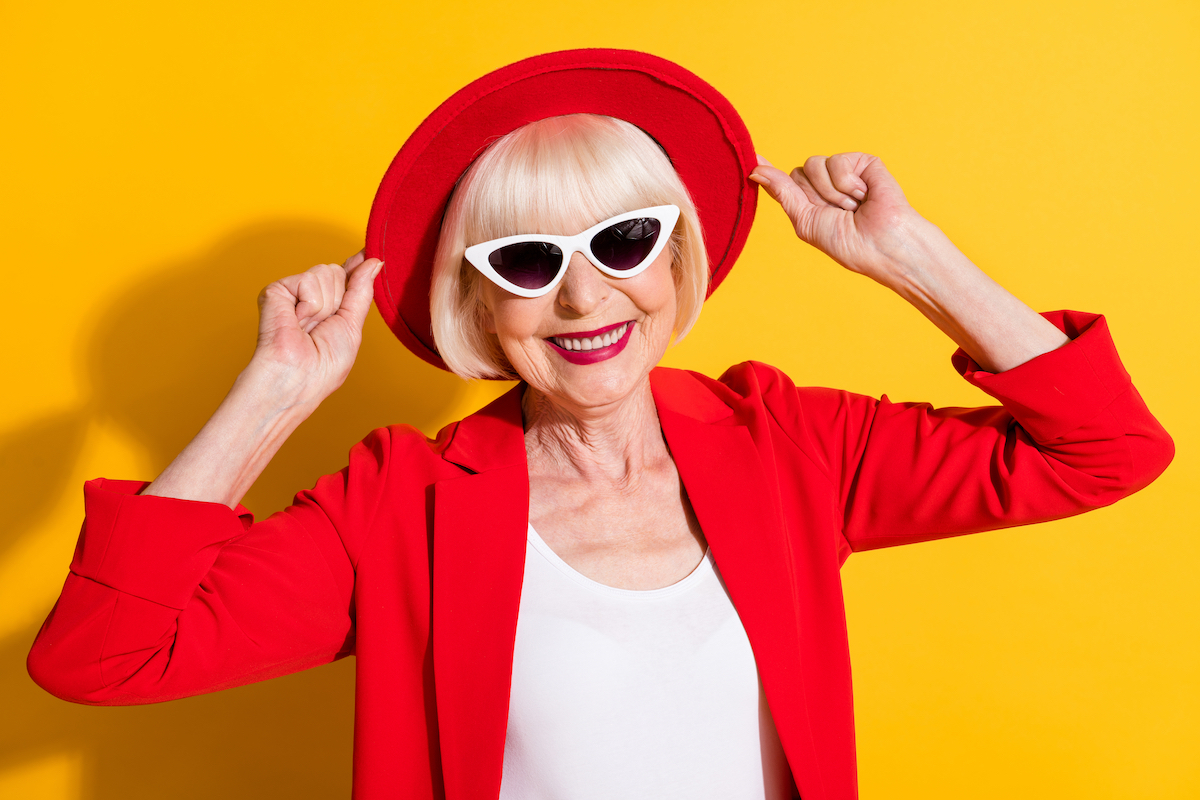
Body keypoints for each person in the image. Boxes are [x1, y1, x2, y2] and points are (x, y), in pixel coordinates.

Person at [27, 49, 1173, 800]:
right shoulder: (404, 501)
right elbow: (101, 657)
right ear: (473, 299)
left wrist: (910, 260)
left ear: (674, 253)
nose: (585, 299)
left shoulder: (786, 442)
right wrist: (274, 390)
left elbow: (1109, 450)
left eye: (623, 241)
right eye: (527, 261)